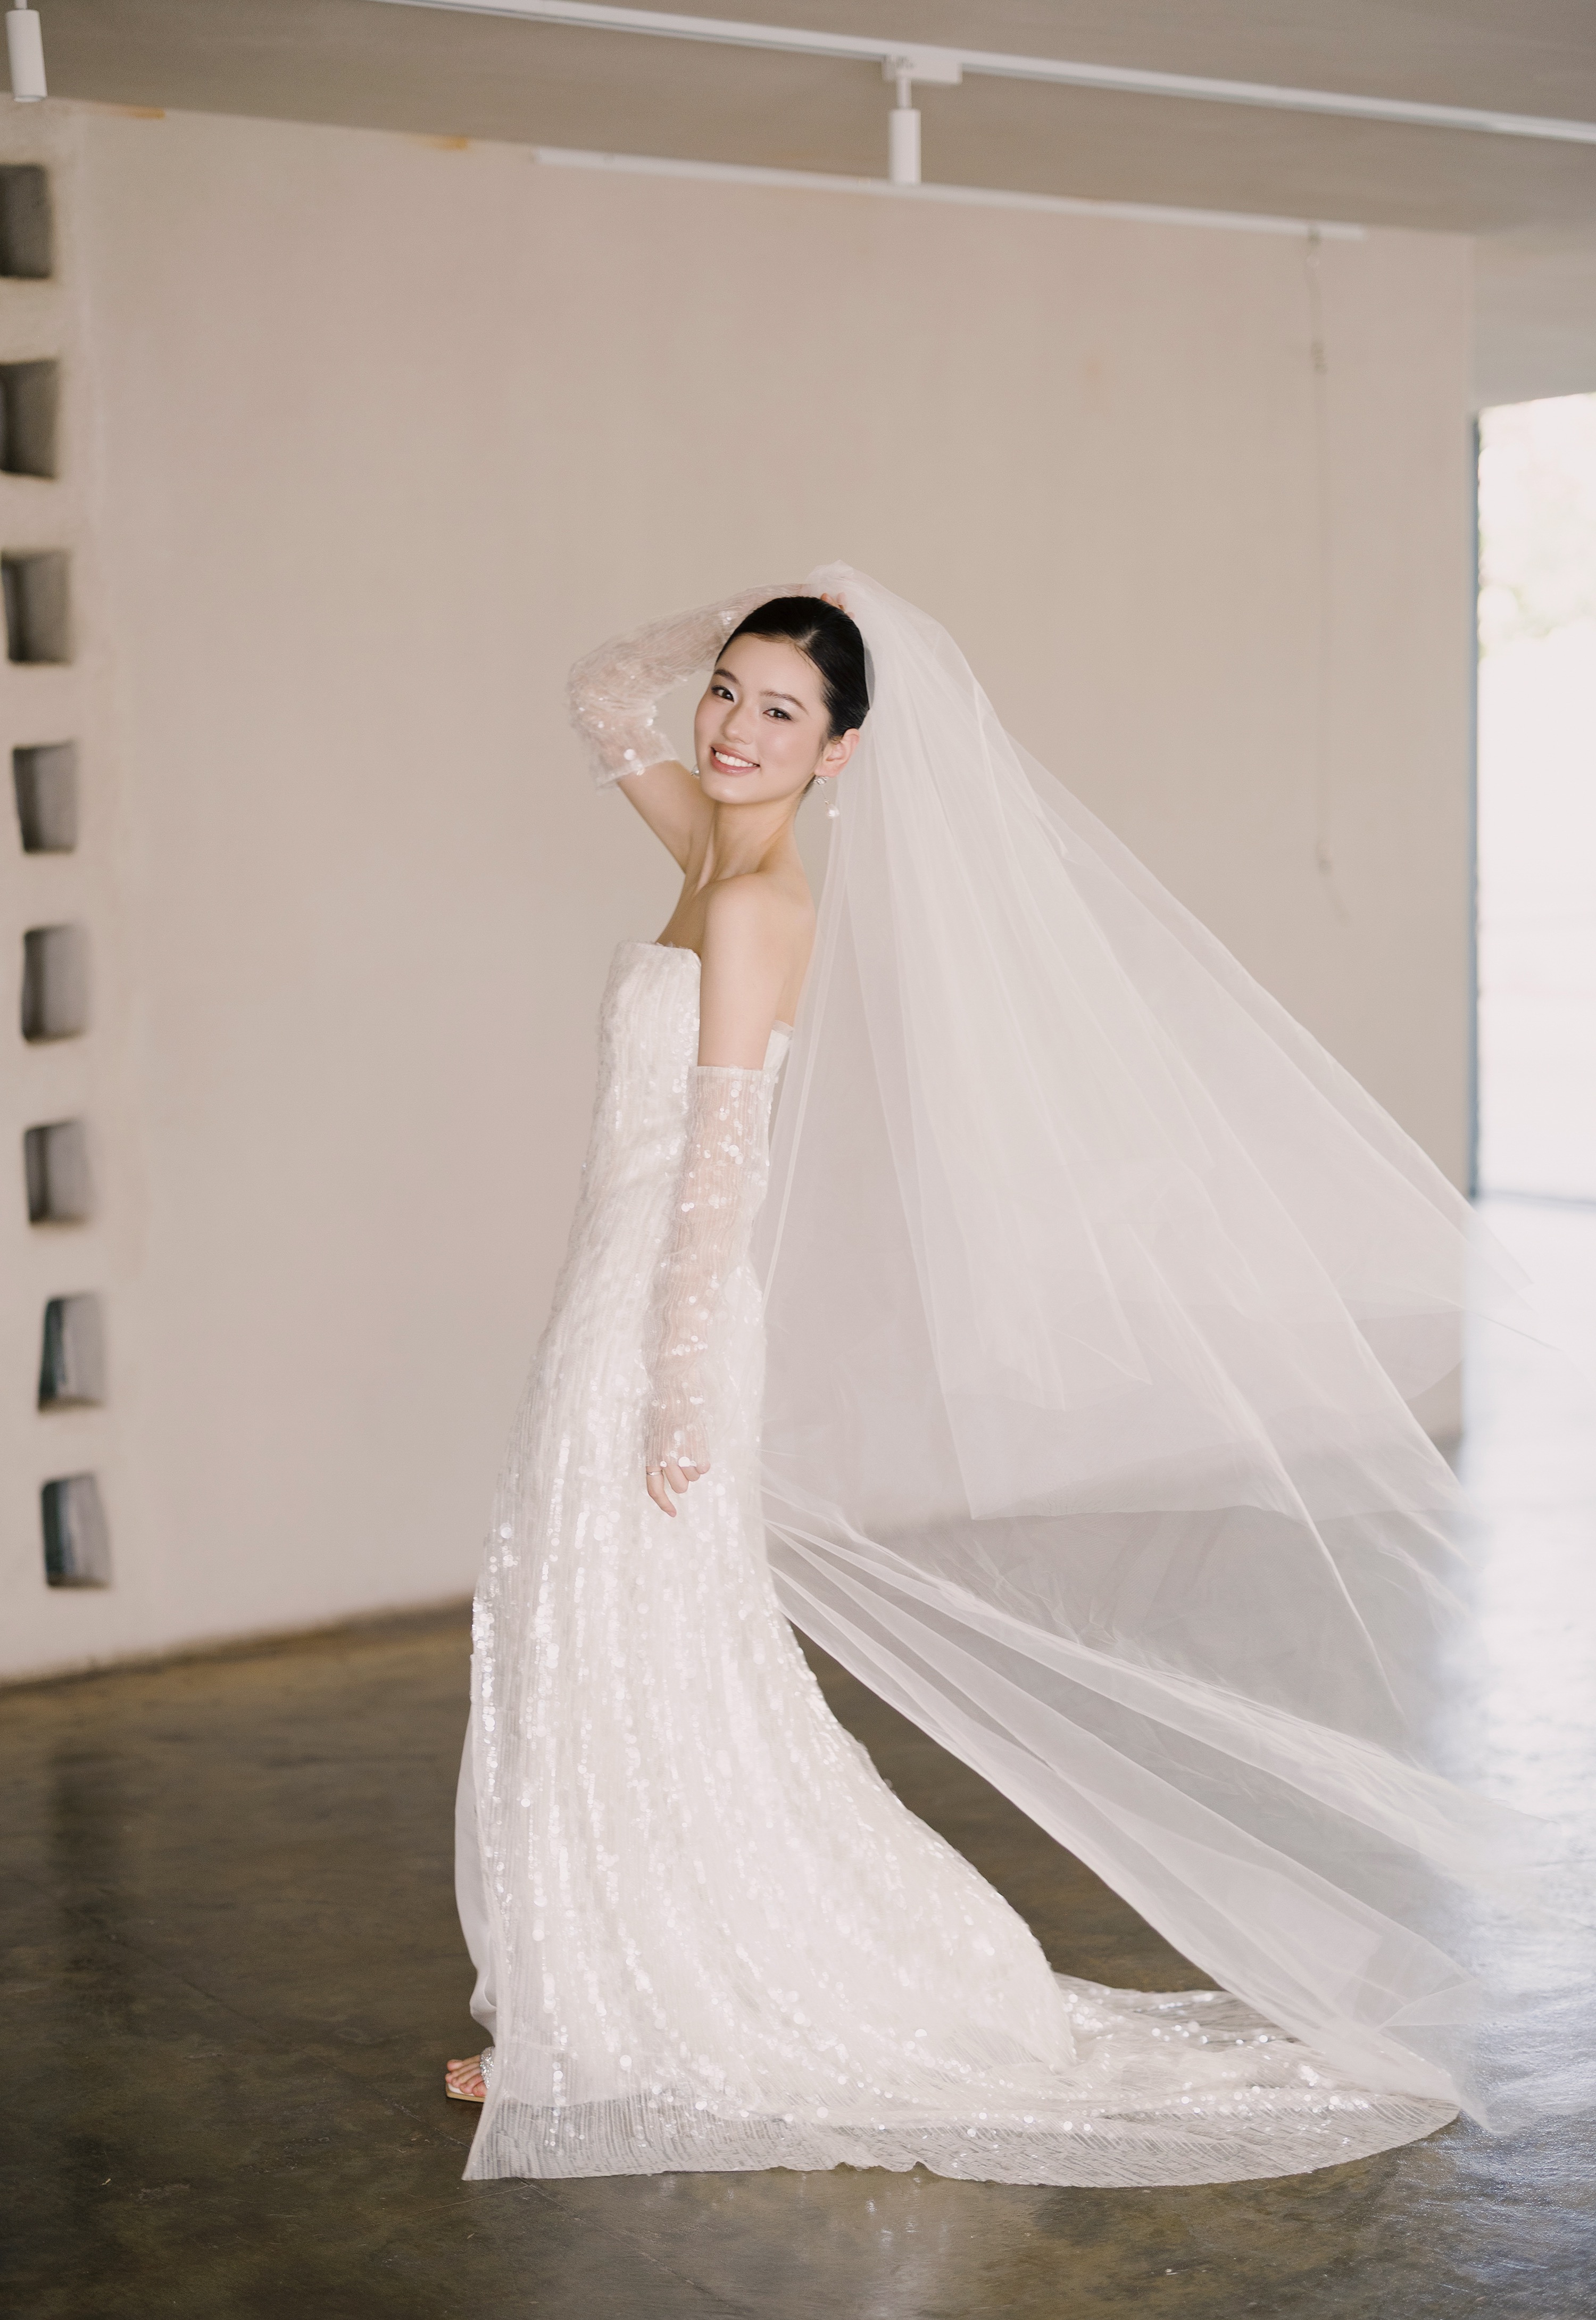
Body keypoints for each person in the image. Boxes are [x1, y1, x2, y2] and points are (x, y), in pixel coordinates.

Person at [445, 568, 1589, 2185]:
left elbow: (720, 1165)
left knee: (640, 1631)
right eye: (728, 692)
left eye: (783, 710)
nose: (734, 727)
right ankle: (589, 2002)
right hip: (612, 1290)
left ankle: (640, 2015)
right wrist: (769, 599)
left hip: (664, 1310)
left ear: (842, 751)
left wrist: (678, 1381)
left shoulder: (760, 901)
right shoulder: (705, 848)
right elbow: (594, 694)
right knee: (576, 1621)